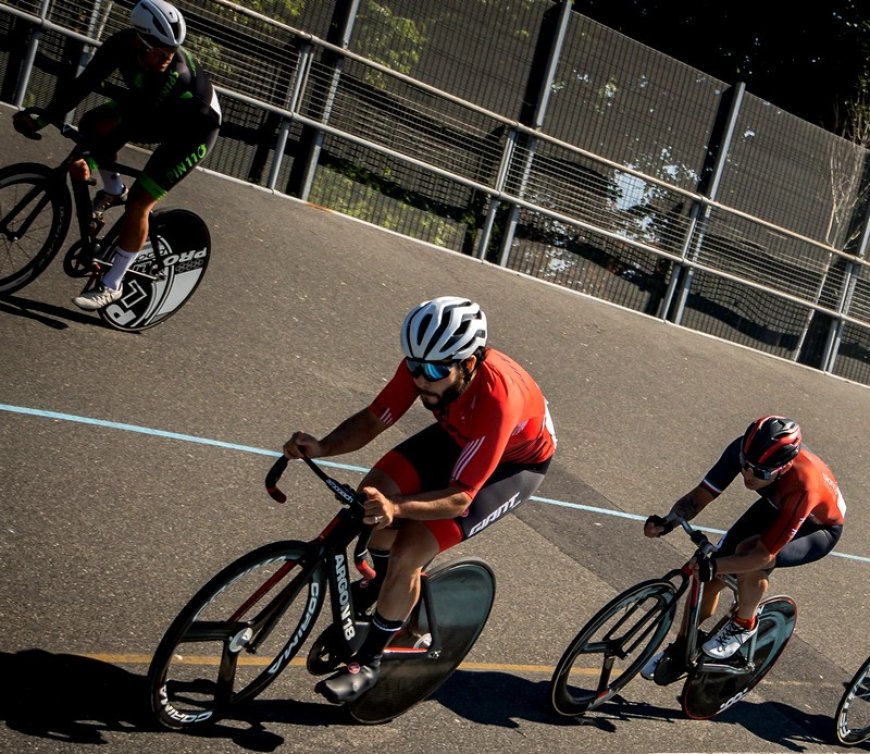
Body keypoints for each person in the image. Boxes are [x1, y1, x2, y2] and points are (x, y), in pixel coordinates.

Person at [283, 296, 557, 704]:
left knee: (409, 549)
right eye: (414, 367)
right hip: (459, 434)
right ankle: (384, 588)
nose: (421, 379)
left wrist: (397, 510)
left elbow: (460, 497)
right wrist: (322, 446)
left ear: (468, 363)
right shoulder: (426, 361)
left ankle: (370, 661)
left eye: (432, 371)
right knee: (370, 496)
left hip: (510, 466)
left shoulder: (499, 400)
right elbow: (376, 418)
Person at [12, 0, 221, 310]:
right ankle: (112, 190)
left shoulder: (173, 74)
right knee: (92, 124)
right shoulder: (120, 45)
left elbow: (134, 123)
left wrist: (92, 161)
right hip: (153, 111)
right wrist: (43, 117)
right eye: (161, 51)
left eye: (172, 52)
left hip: (192, 131)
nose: (167, 58)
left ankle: (112, 284)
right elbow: (84, 83)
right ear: (140, 39)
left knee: (140, 201)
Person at [641, 415, 845, 682]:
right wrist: (668, 523)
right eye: (745, 467)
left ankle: (743, 624)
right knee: (711, 578)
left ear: (783, 467)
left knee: (750, 556)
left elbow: (762, 555)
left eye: (759, 472)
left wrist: (715, 564)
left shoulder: (803, 487)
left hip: (816, 526)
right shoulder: (745, 450)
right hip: (777, 502)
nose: (748, 476)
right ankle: (681, 649)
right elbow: (700, 495)